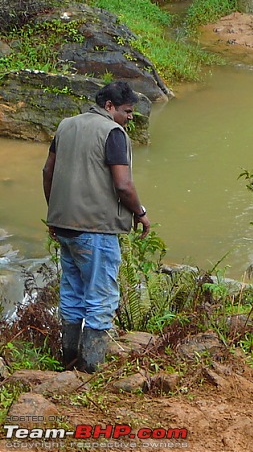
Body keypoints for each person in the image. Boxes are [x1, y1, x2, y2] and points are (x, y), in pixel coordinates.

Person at [42, 81, 151, 373]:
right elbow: (123, 185)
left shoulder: (66, 125)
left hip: (65, 227)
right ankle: (91, 370)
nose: (130, 117)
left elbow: (47, 171)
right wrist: (140, 213)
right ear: (109, 107)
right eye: (128, 111)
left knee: (73, 294)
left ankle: (69, 362)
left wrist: (55, 213)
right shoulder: (112, 133)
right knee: (100, 298)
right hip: (96, 230)